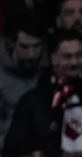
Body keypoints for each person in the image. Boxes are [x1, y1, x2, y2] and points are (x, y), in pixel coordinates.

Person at [0, 18, 46, 147]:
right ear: (11, 44)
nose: (31, 54)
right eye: (24, 47)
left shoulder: (52, 69)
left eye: (36, 46)